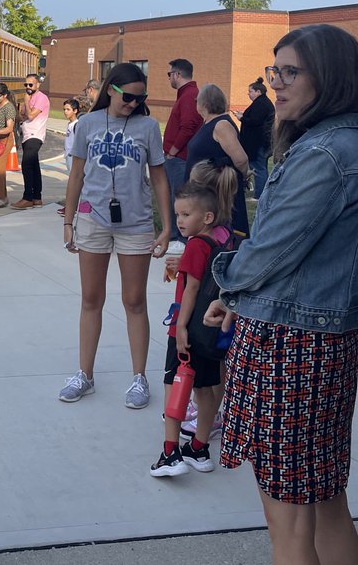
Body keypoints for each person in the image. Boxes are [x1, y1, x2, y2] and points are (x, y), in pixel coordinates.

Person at [203, 23, 358, 565]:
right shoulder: (353, 147)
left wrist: (227, 282)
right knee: (327, 500)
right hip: (320, 342)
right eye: (273, 70)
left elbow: (272, 248)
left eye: (291, 72)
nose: (276, 85)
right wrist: (235, 298)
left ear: (327, 79)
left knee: (287, 524)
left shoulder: (325, 154)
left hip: (290, 347)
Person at [59, 63, 171, 409]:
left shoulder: (148, 127)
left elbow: (159, 178)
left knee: (134, 301)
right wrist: (69, 218)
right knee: (91, 299)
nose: (134, 103)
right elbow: (76, 175)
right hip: (93, 220)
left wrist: (166, 226)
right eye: (129, 96)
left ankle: (139, 377)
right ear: (111, 89)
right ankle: (85, 374)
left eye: (141, 98)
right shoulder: (88, 124)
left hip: (135, 223)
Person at [151, 180, 233, 478]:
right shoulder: (221, 238)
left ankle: (170, 452)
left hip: (185, 330)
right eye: (177, 215)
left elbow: (192, 287)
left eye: (186, 215)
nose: (179, 221)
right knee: (204, 388)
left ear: (206, 217)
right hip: (209, 330)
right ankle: (199, 447)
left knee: (175, 386)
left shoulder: (196, 244)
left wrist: (181, 326)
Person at [186, 83, 251, 238]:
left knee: (222, 239)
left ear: (205, 103)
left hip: (218, 195)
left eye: (197, 100)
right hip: (204, 194)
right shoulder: (209, 123)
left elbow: (241, 159)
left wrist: (240, 178)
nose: (196, 103)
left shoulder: (221, 125)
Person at [161, 59, 203, 240]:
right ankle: (172, 234)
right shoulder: (186, 94)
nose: (169, 77)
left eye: (169, 74)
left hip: (180, 158)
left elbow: (188, 127)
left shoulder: (189, 95)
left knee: (178, 199)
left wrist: (173, 151)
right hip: (178, 157)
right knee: (173, 197)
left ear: (177, 74)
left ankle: (180, 237)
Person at [13, 73, 50, 209]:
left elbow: (30, 115)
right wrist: (25, 104)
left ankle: (28, 197)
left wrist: (27, 102)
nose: (28, 87)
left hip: (36, 135)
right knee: (34, 166)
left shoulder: (42, 98)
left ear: (37, 85)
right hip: (26, 134)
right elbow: (21, 116)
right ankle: (37, 198)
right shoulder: (28, 98)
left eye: (30, 84)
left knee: (26, 164)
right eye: (26, 84)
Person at [239, 78, 275, 200]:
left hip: (258, 142)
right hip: (259, 141)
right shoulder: (262, 103)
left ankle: (260, 195)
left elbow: (255, 121)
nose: (248, 93)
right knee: (258, 166)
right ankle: (260, 192)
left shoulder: (261, 104)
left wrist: (241, 118)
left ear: (258, 92)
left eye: (250, 91)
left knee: (259, 168)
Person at [0, 83, 18, 208]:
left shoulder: (8, 108)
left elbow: (9, 128)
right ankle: (0, 195)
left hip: (5, 139)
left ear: (5, 95)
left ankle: (2, 198)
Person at [58, 98, 81, 216]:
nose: (65, 112)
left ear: (75, 111)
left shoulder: (77, 125)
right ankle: (71, 206)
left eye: (68, 109)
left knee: (75, 183)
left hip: (74, 157)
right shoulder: (69, 124)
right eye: (64, 109)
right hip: (68, 156)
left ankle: (73, 207)